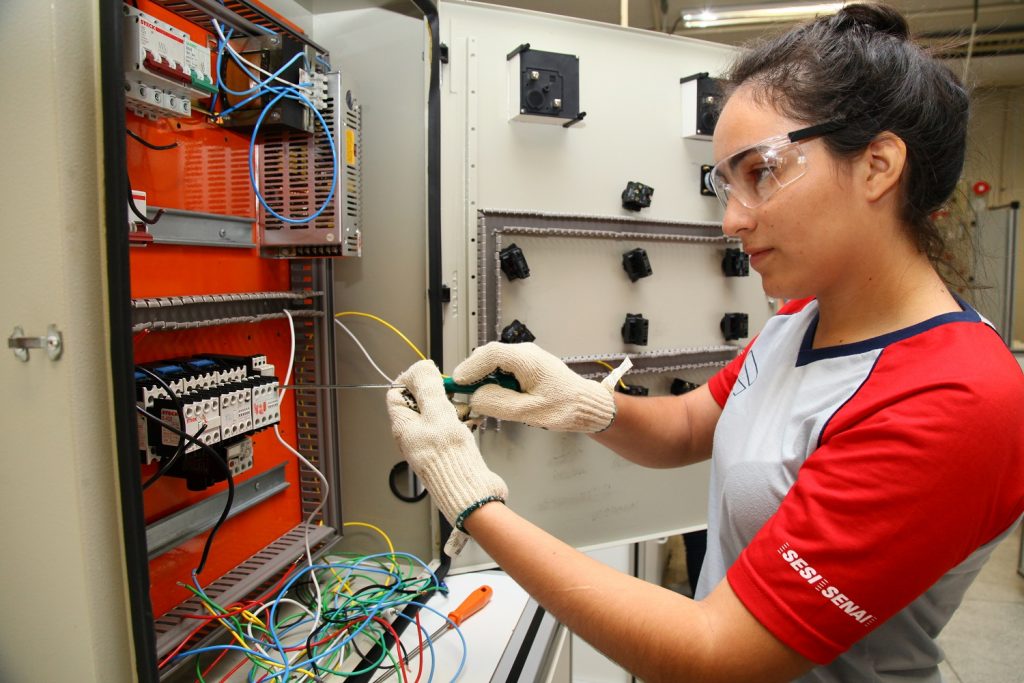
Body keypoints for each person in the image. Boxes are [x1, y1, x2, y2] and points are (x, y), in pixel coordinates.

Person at [386, 4, 1024, 681]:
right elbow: (692, 423)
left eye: (762, 172)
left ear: (877, 165)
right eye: (726, 182)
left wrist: (472, 502)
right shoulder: (803, 317)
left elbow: (717, 653)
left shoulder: (954, 398)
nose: (730, 219)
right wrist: (580, 402)